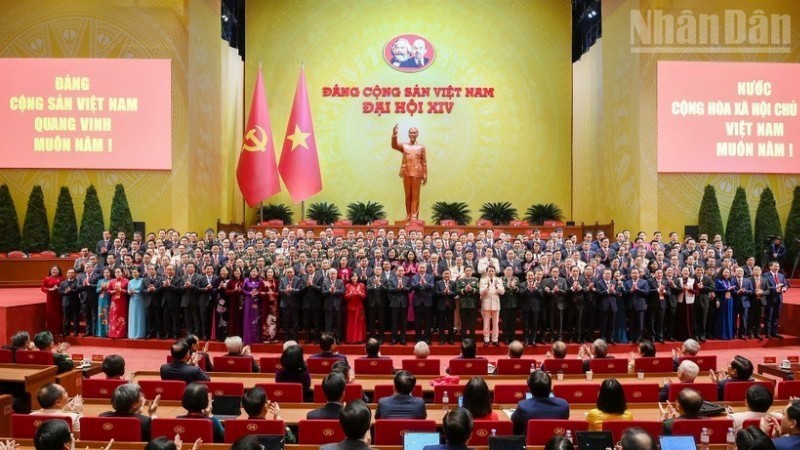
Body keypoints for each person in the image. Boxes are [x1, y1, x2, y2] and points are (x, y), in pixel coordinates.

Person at [510, 370, 570, 435]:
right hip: (556, 440)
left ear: (529, 389)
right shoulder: (563, 405)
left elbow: (514, 425)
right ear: (550, 388)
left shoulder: (523, 407)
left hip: (531, 440)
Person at [391, 123, 427, 220]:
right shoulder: (404, 146)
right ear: (408, 134)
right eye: (411, 132)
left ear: (417, 134)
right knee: (408, 195)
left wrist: (425, 175)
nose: (412, 134)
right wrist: (394, 134)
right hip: (406, 173)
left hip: (417, 174)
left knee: (415, 195)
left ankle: (414, 215)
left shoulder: (421, 147)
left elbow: (424, 162)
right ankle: (408, 215)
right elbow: (394, 146)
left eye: (414, 133)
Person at [479, 266, 504, 346]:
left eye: (492, 271)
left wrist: (497, 287)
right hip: (486, 303)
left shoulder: (499, 280)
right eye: (489, 271)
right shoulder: (483, 280)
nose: (491, 272)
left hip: (496, 303)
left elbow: (502, 292)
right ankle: (486, 339)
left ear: (495, 272)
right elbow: (481, 293)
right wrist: (487, 288)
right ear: (487, 272)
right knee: (486, 323)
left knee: (496, 323)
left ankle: (495, 339)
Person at [765, 261, 789, 339]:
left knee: (776, 316)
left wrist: (785, 288)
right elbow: (765, 287)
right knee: (769, 316)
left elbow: (785, 284)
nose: (777, 268)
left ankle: (774, 332)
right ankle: (768, 333)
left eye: (778, 266)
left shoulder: (781, 275)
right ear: (770, 267)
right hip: (770, 299)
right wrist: (775, 288)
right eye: (775, 266)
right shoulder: (765, 275)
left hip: (779, 299)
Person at [412, 263, 434, 343]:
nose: (421, 269)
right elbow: (413, 287)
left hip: (427, 302)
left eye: (423, 268)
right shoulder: (414, 277)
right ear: (418, 268)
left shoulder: (430, 277)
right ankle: (418, 338)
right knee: (417, 321)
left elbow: (432, 286)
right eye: (420, 268)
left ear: (425, 269)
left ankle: (427, 338)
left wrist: (425, 283)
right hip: (417, 302)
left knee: (427, 321)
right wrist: (419, 283)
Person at [387, 265, 410, 345]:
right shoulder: (391, 279)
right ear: (396, 271)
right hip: (394, 303)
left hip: (404, 303)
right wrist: (397, 288)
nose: (400, 272)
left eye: (402, 270)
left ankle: (403, 338)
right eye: (399, 271)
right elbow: (389, 289)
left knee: (403, 322)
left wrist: (403, 288)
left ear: (404, 271)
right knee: (394, 322)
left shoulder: (407, 279)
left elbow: (410, 289)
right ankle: (394, 338)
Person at [322, 268, 345, 343]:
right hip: (328, 306)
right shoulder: (325, 281)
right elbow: (323, 292)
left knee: (338, 324)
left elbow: (342, 291)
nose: (332, 275)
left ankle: (338, 338)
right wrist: (329, 290)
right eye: (331, 274)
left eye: (334, 274)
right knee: (328, 324)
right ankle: (328, 340)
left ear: (336, 274)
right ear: (329, 275)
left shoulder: (340, 281)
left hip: (337, 306)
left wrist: (335, 291)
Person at [457, 266, 480, 340]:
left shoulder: (476, 280)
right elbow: (457, 290)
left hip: (473, 304)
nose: (468, 272)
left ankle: (472, 338)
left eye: (469, 270)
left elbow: (479, 290)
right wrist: (464, 289)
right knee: (463, 322)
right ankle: (463, 338)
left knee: (472, 322)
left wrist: (472, 289)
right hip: (463, 303)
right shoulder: (460, 280)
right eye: (466, 270)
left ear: (472, 271)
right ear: (464, 271)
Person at [435, 268, 457, 344]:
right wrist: (443, 292)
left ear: (450, 275)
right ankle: (442, 339)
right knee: (441, 323)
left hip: (450, 306)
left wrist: (449, 292)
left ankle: (451, 339)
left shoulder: (453, 283)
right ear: (442, 275)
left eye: (448, 274)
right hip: (441, 306)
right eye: (445, 274)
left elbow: (455, 293)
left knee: (450, 323)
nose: (446, 275)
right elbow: (436, 293)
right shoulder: (438, 283)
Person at [41, 266, 65, 336]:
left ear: (59, 271)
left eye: (56, 269)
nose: (54, 271)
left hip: (59, 298)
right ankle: (51, 331)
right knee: (51, 314)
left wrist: (58, 288)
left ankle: (59, 331)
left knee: (59, 314)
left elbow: (64, 287)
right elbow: (43, 288)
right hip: (50, 298)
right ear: (50, 271)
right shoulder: (47, 278)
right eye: (53, 270)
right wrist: (50, 289)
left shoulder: (62, 279)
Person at [241, 268, 263, 345]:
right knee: (248, 318)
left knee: (256, 318)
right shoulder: (246, 280)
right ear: (250, 272)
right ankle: (248, 338)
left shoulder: (260, 280)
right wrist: (249, 293)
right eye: (252, 271)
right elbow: (243, 290)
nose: (253, 273)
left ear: (258, 272)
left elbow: (262, 290)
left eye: (255, 271)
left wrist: (258, 292)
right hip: (248, 301)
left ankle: (256, 338)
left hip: (257, 301)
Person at [107, 267, 130, 339]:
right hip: (114, 302)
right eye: (116, 272)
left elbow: (128, 291)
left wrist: (121, 290)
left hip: (122, 301)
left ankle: (121, 334)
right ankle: (113, 334)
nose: (117, 273)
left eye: (119, 272)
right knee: (113, 316)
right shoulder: (112, 281)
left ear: (122, 273)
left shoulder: (126, 281)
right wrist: (113, 291)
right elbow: (108, 290)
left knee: (122, 317)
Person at [345, 272, 367, 343]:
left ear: (358, 277)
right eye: (353, 276)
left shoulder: (361, 285)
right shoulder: (347, 285)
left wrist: (360, 293)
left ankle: (359, 339)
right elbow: (345, 297)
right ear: (350, 278)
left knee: (359, 323)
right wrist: (350, 294)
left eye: (355, 276)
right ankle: (351, 339)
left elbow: (364, 296)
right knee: (351, 324)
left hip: (359, 307)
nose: (354, 278)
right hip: (351, 307)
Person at [58, 269, 80, 337]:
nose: (70, 274)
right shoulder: (63, 282)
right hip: (66, 302)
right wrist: (65, 292)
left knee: (75, 318)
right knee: (66, 318)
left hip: (75, 302)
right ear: (67, 274)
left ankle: (75, 332)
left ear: (74, 274)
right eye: (69, 273)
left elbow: (78, 290)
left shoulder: (77, 281)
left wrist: (71, 290)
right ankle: (66, 332)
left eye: (72, 273)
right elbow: (60, 291)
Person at [715, 267, 736, 340]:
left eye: (728, 272)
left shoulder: (730, 281)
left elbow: (733, 291)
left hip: (730, 300)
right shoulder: (718, 280)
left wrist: (734, 290)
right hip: (722, 300)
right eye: (725, 272)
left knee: (729, 317)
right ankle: (722, 335)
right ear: (721, 273)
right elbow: (716, 290)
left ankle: (729, 334)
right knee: (722, 317)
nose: (727, 274)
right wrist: (726, 289)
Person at [127, 267, 146, 339]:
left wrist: (137, 291)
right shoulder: (130, 281)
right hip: (132, 300)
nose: (134, 274)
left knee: (140, 316)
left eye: (135, 272)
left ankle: (140, 334)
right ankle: (132, 334)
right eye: (133, 272)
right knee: (133, 316)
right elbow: (128, 291)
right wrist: (130, 292)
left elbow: (144, 290)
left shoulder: (142, 280)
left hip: (140, 300)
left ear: (139, 273)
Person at [95, 267, 112, 337]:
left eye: (107, 272)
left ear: (110, 273)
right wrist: (101, 288)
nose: (106, 274)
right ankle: (101, 332)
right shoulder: (100, 281)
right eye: (104, 272)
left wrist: (107, 288)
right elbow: (97, 291)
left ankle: (109, 332)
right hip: (101, 299)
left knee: (109, 315)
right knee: (101, 315)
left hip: (109, 298)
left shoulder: (112, 280)